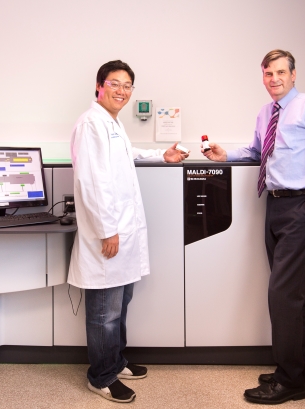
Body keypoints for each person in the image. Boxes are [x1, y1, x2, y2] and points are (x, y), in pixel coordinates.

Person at [202, 49, 305, 405]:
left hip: (301, 206)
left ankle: (289, 379)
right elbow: (255, 152)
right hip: (274, 204)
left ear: (294, 74)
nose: (274, 79)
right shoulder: (267, 113)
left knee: (282, 296)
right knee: (299, 293)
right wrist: (224, 155)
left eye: (280, 72)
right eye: (268, 73)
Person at [69, 60, 188, 403]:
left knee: (119, 305)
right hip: (108, 234)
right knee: (105, 310)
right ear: (99, 86)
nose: (121, 91)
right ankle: (100, 376)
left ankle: (116, 361)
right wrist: (107, 230)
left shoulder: (112, 124)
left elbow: (126, 155)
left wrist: (161, 156)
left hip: (123, 233)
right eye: (114, 84)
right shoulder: (91, 123)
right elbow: (91, 182)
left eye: (127, 86)